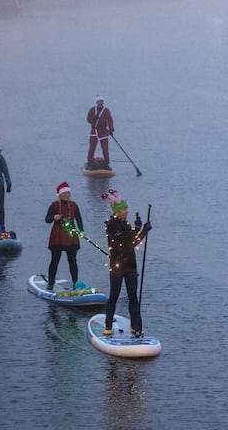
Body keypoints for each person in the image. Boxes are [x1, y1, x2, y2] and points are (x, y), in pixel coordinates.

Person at [101, 189, 151, 337]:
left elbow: (131, 240)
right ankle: (108, 326)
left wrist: (140, 229)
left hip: (130, 265)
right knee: (114, 296)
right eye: (123, 209)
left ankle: (135, 326)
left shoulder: (125, 224)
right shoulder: (111, 225)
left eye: (126, 208)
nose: (126, 211)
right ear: (117, 211)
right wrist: (142, 232)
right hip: (117, 266)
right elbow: (128, 242)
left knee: (133, 296)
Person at [44, 182, 83, 290]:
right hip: (58, 236)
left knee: (73, 261)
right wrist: (54, 217)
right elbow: (47, 219)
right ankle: (51, 283)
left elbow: (79, 219)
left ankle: (75, 283)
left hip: (71, 237)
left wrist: (82, 231)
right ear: (60, 195)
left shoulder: (74, 205)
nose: (67, 195)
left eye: (68, 193)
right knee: (55, 260)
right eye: (65, 193)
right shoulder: (54, 205)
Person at [86, 95, 114, 169]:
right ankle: (90, 162)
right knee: (92, 148)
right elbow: (88, 119)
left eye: (102, 101)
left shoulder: (106, 110)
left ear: (103, 102)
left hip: (103, 132)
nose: (100, 103)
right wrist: (94, 119)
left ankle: (106, 162)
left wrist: (111, 129)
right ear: (96, 102)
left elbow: (110, 120)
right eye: (99, 101)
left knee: (105, 148)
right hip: (94, 131)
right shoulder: (92, 110)